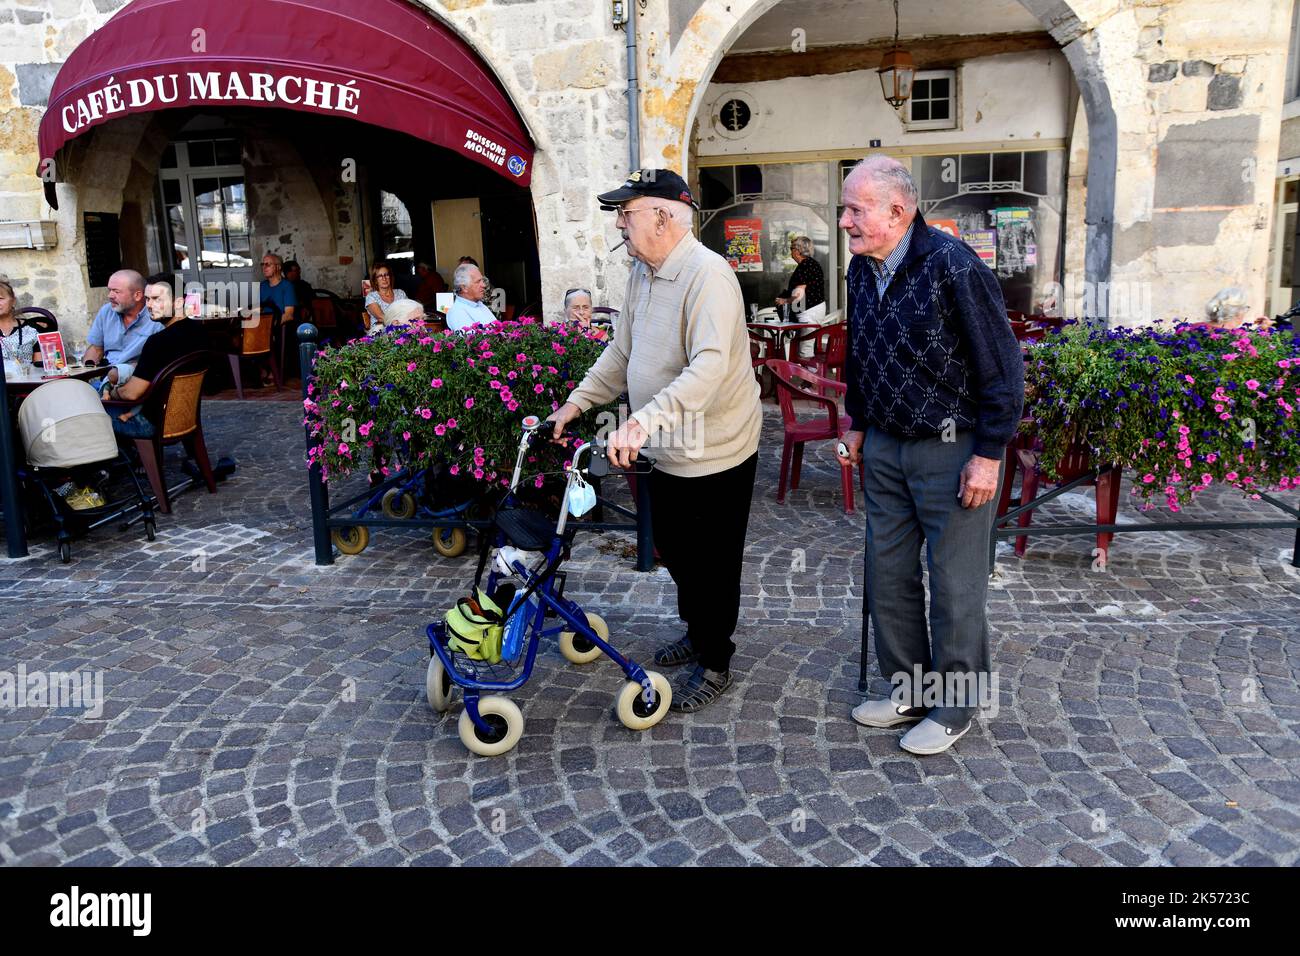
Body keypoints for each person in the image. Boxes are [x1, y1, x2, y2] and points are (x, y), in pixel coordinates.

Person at [547, 168, 762, 713]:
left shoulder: (708, 276)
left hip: (716, 450)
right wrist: (579, 401)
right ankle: (696, 631)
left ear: (663, 218)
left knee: (713, 561)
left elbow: (709, 366)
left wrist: (643, 421)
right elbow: (621, 354)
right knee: (679, 553)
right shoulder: (643, 273)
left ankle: (715, 660)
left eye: (627, 213)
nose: (620, 224)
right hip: (665, 446)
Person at [836, 156, 1024, 756]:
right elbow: (859, 352)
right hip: (887, 446)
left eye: (854, 209)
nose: (844, 221)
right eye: (845, 208)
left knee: (954, 585)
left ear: (898, 210)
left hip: (954, 449)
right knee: (886, 575)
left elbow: (1003, 369)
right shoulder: (861, 270)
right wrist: (858, 423)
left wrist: (990, 454)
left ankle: (955, 706)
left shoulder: (953, 266)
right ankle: (909, 689)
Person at [104, 273, 210, 438]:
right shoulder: (200, 332)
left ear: (179, 302)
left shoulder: (158, 342)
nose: (149, 305)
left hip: (149, 422)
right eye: (147, 299)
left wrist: (112, 391)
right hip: (183, 418)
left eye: (157, 299)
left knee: (89, 412)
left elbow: (131, 394)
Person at [82, 269, 162, 385]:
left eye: (116, 291)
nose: (110, 296)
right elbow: (96, 349)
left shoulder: (156, 317)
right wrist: (84, 374)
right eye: (109, 290)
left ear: (137, 295)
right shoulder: (106, 311)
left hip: (137, 378)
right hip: (106, 376)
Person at [776, 236, 825, 316]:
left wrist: (784, 301)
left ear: (798, 251)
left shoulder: (805, 264)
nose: (790, 252)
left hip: (809, 311)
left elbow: (799, 293)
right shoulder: (810, 263)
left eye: (791, 248)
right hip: (812, 308)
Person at [445, 263, 495, 332]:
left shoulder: (480, 305)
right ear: (464, 287)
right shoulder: (457, 312)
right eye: (478, 282)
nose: (483, 285)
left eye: (482, 281)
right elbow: (473, 341)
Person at [0, 279, 39, 367]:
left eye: (0, 298)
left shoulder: (31, 329)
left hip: (26, 378)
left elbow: (41, 367)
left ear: (13, 301)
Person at [363, 260, 407, 330]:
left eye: (386, 275)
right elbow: (380, 317)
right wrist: (395, 322)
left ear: (390, 277)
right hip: (380, 334)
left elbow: (408, 311)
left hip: (401, 330)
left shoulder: (400, 293)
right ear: (375, 280)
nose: (384, 278)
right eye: (380, 276)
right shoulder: (371, 297)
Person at [259, 253, 297, 324]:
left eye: (268, 264)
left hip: (279, 328)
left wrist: (269, 326)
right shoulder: (262, 285)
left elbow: (289, 315)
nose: (264, 267)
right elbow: (258, 309)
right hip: (264, 325)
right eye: (262, 264)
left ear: (278, 267)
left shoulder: (287, 286)